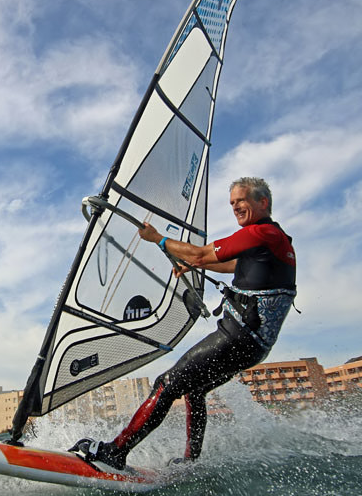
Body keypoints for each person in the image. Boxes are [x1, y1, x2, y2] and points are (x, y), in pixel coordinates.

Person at [71, 177, 296, 469]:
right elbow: (225, 265)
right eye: (231, 203)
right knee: (194, 389)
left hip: (238, 336)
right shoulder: (274, 241)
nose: (235, 207)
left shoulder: (261, 232)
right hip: (253, 346)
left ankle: (116, 452)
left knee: (166, 383)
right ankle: (191, 461)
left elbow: (203, 253)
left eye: (241, 201)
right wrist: (191, 264)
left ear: (262, 202)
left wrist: (159, 239)